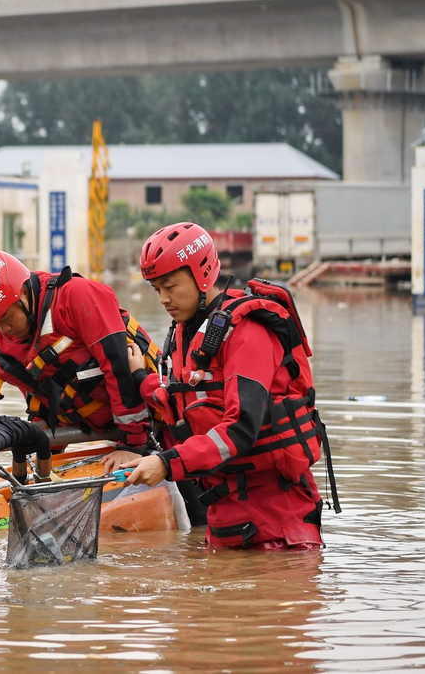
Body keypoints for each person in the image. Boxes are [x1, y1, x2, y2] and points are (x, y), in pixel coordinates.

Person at [118, 222, 338, 550]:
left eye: (170, 286)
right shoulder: (185, 334)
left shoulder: (247, 332)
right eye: (155, 289)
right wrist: (140, 378)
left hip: (278, 525)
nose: (163, 298)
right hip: (225, 517)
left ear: (202, 273)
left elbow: (240, 427)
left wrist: (166, 463)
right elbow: (180, 402)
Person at [0, 249, 161, 457]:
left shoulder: (76, 297)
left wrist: (133, 445)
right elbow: (37, 393)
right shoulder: (2, 337)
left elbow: (118, 368)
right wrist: (44, 453)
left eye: (7, 317)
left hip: (151, 421)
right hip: (83, 424)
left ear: (24, 293)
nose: (5, 329)